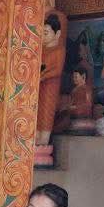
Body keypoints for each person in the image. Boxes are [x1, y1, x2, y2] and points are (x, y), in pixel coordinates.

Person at [35, 14, 66, 165]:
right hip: (38, 87)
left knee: (46, 113)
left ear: (57, 34)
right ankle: (36, 142)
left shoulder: (59, 50)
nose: (43, 36)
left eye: (46, 33)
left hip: (50, 88)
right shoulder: (41, 50)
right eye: (41, 33)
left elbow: (57, 70)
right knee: (36, 113)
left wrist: (43, 76)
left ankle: (43, 143)